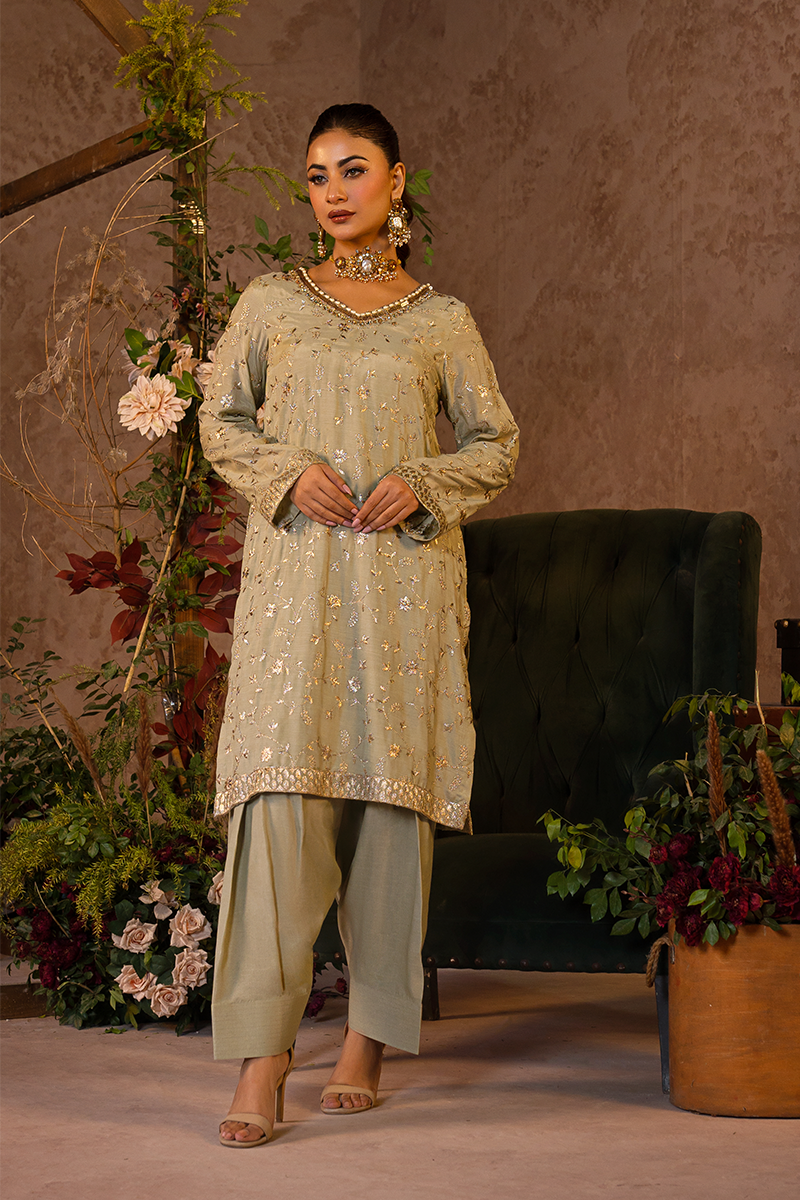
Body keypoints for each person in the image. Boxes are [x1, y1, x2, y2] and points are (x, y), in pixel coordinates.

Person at [199, 103, 519, 1147]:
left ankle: (368, 1039)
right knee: (275, 806)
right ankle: (262, 1058)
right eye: (316, 175)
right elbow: (219, 421)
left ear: (396, 180)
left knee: (389, 809)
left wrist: (422, 480)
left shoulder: (442, 321)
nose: (333, 191)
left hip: (401, 588)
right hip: (295, 586)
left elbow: (494, 441)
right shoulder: (270, 304)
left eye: (352, 169)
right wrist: (287, 472)